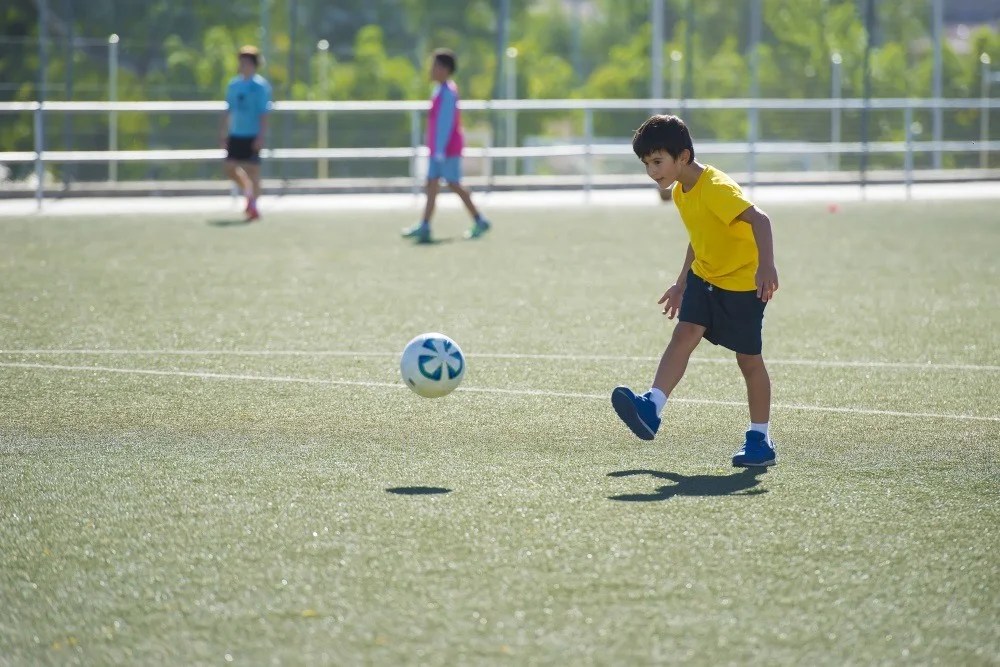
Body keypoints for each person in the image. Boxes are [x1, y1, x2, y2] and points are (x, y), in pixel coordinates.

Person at [610, 114, 780, 467]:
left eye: (657, 161)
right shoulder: (680, 191)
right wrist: (682, 281)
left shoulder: (716, 187)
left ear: (683, 157)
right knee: (684, 333)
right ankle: (652, 407)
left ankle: (760, 439)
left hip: (740, 286)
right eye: (646, 164)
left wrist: (766, 266)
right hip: (705, 278)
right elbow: (700, 237)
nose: (651, 171)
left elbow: (761, 220)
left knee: (748, 361)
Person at [401, 49, 490, 243]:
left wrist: (439, 149)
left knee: (453, 183)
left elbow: (446, 123)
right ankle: (424, 225)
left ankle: (479, 219)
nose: (431, 70)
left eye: (434, 66)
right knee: (432, 183)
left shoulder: (448, 93)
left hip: (447, 149)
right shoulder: (439, 90)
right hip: (438, 149)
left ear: (444, 69)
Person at [219, 45, 272, 221]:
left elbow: (263, 113)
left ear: (254, 64)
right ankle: (248, 191)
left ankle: (254, 206)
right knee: (229, 168)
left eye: (247, 62)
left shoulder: (260, 86)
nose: (243, 65)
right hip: (236, 134)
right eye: (241, 62)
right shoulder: (233, 85)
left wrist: (261, 136)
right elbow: (229, 110)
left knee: (254, 171)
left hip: (252, 134)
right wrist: (224, 132)